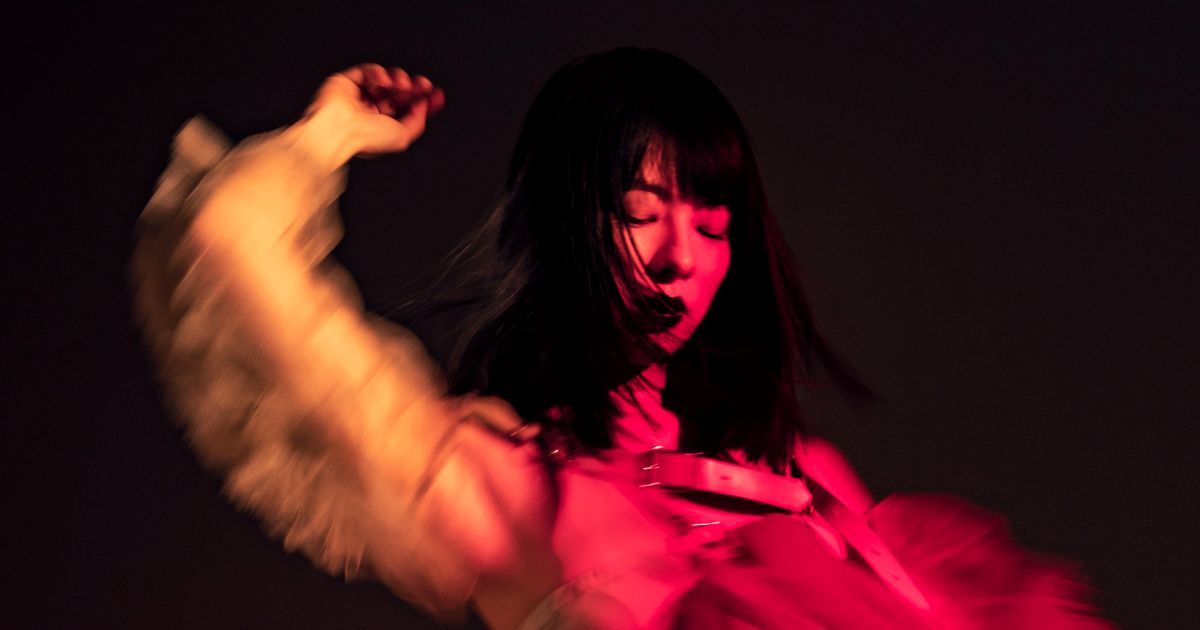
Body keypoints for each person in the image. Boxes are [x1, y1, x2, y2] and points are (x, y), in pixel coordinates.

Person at [133, 48, 1110, 628]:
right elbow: (229, 244)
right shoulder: (503, 487)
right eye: (642, 213)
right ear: (566, 231)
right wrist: (327, 136)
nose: (681, 256)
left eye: (713, 226)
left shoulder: (803, 483)